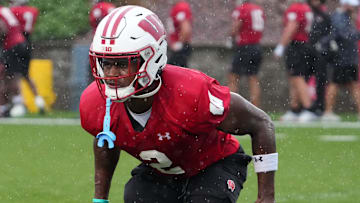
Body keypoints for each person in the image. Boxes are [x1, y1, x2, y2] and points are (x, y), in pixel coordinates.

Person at [80, 5, 277, 203]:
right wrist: (100, 198)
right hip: (163, 173)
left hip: (214, 163)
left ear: (151, 57)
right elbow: (106, 137)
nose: (112, 74)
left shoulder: (190, 92)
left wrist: (266, 197)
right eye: (106, 62)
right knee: (135, 196)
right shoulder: (95, 102)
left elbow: (261, 123)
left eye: (122, 63)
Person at [274, 0, 318, 122]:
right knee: (294, 77)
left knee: (297, 77)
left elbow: (291, 27)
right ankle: (295, 109)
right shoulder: (306, 8)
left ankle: (309, 108)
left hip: (297, 46)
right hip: (304, 45)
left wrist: (281, 45)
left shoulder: (296, 8)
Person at [322, 0, 360, 121]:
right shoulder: (339, 17)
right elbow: (345, 35)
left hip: (346, 57)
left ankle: (328, 112)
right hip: (343, 57)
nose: (355, 7)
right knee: (337, 84)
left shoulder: (345, 16)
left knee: (350, 85)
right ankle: (328, 112)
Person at [0, 6, 40, 117]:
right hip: (23, 42)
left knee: (10, 76)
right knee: (22, 75)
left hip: (11, 45)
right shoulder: (6, 10)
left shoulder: (7, 10)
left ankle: (14, 105)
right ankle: (37, 102)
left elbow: (2, 28)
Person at [9, 0, 45, 114]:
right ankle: (39, 100)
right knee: (26, 74)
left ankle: (19, 103)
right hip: (28, 43)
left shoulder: (13, 10)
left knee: (15, 75)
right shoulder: (33, 10)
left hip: (16, 42)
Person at [228, 0, 265, 107]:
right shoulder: (258, 9)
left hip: (245, 47)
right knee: (253, 78)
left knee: (233, 77)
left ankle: (230, 107)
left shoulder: (242, 9)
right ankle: (256, 107)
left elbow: (236, 27)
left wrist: (231, 36)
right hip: (257, 46)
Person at [306, 0, 332, 116]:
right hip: (308, 51)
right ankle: (305, 106)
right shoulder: (309, 13)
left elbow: (330, 33)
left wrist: (322, 43)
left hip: (320, 52)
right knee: (304, 77)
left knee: (321, 79)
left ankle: (319, 106)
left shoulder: (324, 16)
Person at [167, 0, 192, 67]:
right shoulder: (178, 6)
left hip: (181, 47)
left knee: (172, 71)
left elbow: (186, 28)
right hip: (180, 47)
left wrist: (179, 43)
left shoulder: (181, 7)